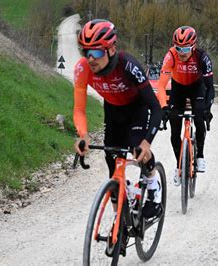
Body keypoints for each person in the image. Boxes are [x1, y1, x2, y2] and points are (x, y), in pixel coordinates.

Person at [73, 19, 163, 218]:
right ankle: (118, 222)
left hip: (137, 109)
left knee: (136, 147)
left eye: (96, 52)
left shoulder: (128, 65)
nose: (90, 59)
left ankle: (153, 186)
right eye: (85, 52)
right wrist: (83, 135)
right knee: (112, 163)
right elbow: (79, 109)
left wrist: (147, 142)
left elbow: (155, 107)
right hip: (113, 111)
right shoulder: (82, 69)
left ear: (111, 49)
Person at [155, 26, 214, 186]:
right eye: (178, 48)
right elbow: (161, 86)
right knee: (174, 130)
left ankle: (200, 155)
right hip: (178, 89)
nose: (181, 52)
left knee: (199, 116)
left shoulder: (202, 57)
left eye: (185, 48)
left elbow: (210, 87)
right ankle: (179, 166)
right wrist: (163, 107)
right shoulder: (171, 56)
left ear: (193, 46)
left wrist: (208, 109)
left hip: (197, 87)